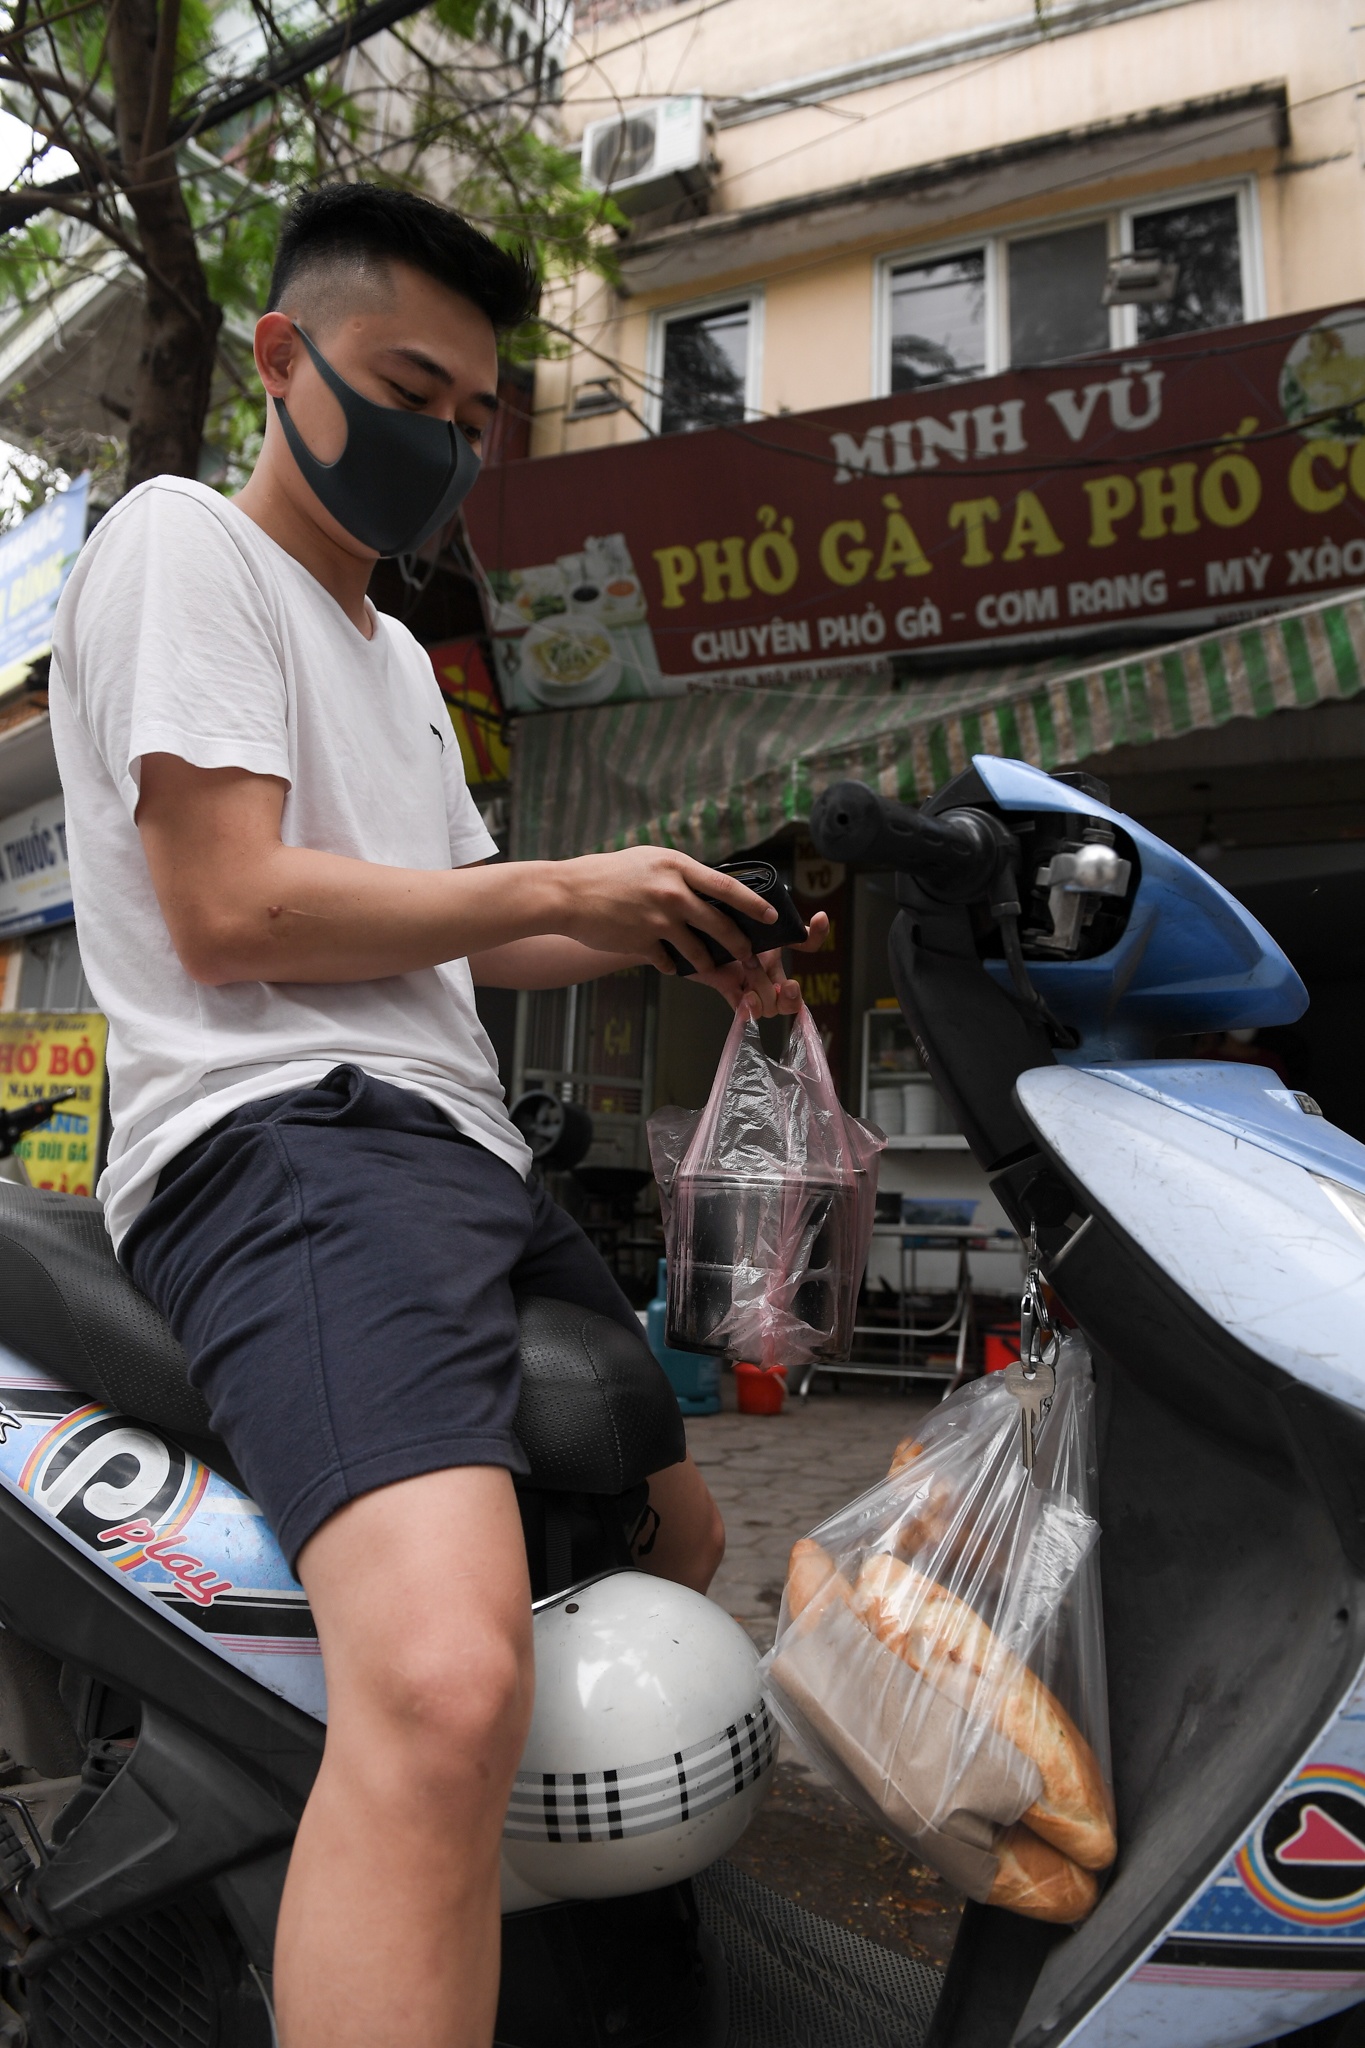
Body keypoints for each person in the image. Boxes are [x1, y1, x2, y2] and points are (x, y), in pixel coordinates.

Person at [48, 183, 828, 2048]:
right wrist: (560, 881)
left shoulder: (398, 654)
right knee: (445, 1684)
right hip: (287, 1142)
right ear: (280, 358)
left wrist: (665, 931)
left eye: (475, 416)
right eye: (410, 393)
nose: (447, 445)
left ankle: (468, 1944)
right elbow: (234, 910)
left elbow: (465, 932)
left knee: (676, 1547)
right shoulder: (182, 547)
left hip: (459, 1150)